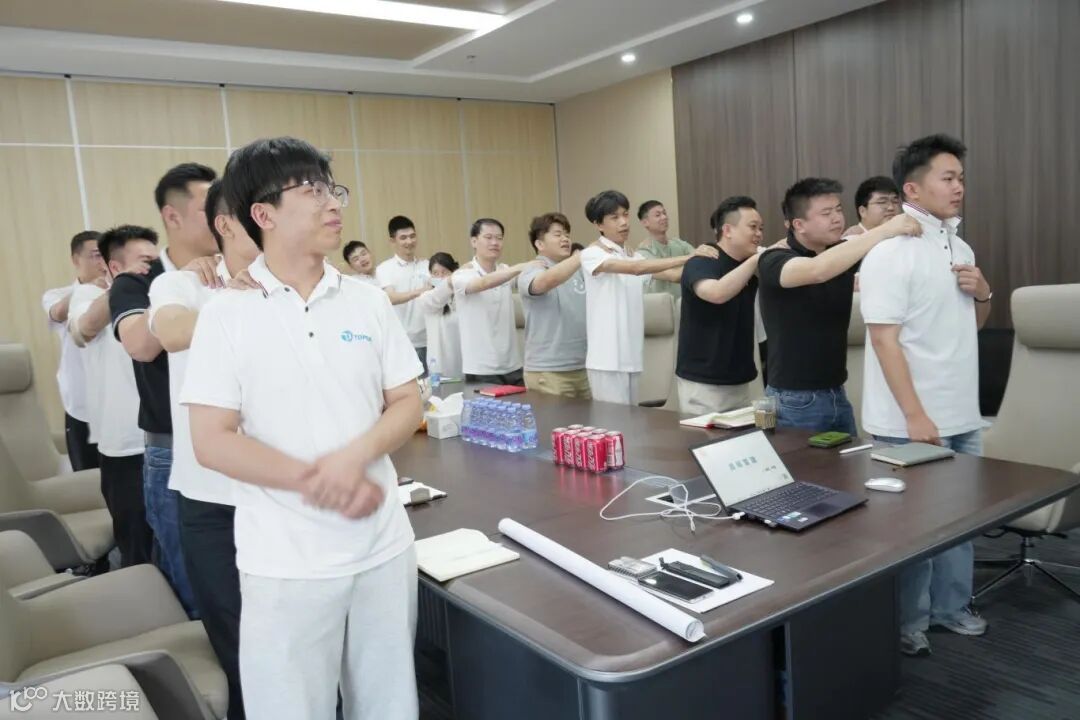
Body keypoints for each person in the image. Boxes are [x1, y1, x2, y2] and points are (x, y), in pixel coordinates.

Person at [184, 137, 422, 720]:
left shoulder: (366, 301)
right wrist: (317, 479)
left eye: (331, 188)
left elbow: (406, 401)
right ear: (262, 215)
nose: (332, 202)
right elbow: (211, 440)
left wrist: (353, 457)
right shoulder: (226, 315)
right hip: (285, 560)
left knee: (390, 704)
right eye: (311, 190)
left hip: (382, 546)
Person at [860, 134, 991, 657]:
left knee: (960, 522)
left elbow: (971, 325)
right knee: (912, 529)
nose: (959, 187)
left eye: (961, 178)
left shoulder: (961, 247)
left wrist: (983, 291)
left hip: (962, 411)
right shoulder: (889, 253)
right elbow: (883, 339)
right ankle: (907, 622)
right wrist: (914, 415)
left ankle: (950, 608)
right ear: (912, 189)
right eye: (948, 177)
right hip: (908, 419)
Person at [147, 180, 260, 719]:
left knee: (297, 640)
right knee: (236, 642)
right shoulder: (185, 284)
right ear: (227, 224)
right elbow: (170, 333)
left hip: (280, 494)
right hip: (210, 497)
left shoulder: (293, 286)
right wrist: (235, 299)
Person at [109, 162, 219, 617]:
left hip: (233, 445)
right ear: (172, 216)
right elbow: (140, 345)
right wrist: (177, 289)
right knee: (193, 582)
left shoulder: (236, 272)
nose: (222, 216)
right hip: (172, 448)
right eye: (209, 207)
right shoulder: (139, 280)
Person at [757, 178, 920, 434]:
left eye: (838, 209)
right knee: (798, 462)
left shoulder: (842, 253)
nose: (837, 218)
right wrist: (883, 231)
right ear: (799, 224)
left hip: (837, 393)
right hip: (793, 400)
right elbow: (817, 270)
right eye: (826, 213)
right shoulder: (773, 259)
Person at [68, 226, 156, 567]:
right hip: (125, 446)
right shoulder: (89, 295)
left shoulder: (164, 293)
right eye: (145, 262)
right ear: (115, 267)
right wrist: (124, 286)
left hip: (168, 440)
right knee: (137, 547)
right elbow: (84, 328)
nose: (153, 268)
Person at [580, 190, 716, 405]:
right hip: (607, 360)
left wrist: (719, 266)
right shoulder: (592, 253)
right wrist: (689, 256)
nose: (624, 222)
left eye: (625, 215)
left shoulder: (631, 254)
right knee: (613, 422)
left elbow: (673, 275)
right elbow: (636, 269)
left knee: (631, 420)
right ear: (599, 224)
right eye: (615, 217)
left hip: (632, 358)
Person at [676, 197, 763, 414]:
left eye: (761, 228)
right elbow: (716, 293)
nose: (759, 234)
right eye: (753, 227)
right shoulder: (703, 261)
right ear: (728, 230)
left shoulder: (747, 267)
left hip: (740, 380)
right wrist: (756, 260)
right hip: (704, 383)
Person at [42, 231, 108, 471]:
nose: (102, 262)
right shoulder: (57, 295)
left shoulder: (118, 292)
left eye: (105, 255)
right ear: (75, 259)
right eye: (96, 255)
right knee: (87, 477)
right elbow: (58, 312)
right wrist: (87, 289)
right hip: (81, 407)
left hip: (116, 405)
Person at [452, 218, 536, 385]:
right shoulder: (462, 274)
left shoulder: (505, 270)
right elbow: (483, 283)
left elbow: (532, 283)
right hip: (481, 368)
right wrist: (521, 266)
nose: (495, 243)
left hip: (513, 365)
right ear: (474, 241)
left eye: (499, 238)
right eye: (488, 237)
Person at [518, 212, 590, 399]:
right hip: (548, 371)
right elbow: (543, 283)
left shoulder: (577, 270)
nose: (565, 239)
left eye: (567, 234)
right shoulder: (532, 269)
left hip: (582, 367)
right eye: (558, 234)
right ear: (539, 244)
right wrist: (580, 257)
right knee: (553, 419)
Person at [375, 216, 432, 370]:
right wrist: (421, 291)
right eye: (403, 238)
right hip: (404, 342)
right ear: (392, 241)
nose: (409, 241)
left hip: (431, 340)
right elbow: (391, 298)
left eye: (413, 236)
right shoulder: (385, 268)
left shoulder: (427, 265)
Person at [416, 252, 463, 382]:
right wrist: (449, 283)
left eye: (444, 272)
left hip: (463, 363)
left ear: (453, 272)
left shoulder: (462, 297)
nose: (440, 277)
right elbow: (439, 296)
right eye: (435, 273)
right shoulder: (426, 297)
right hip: (439, 367)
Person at [635, 200, 696, 297]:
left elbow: (700, 259)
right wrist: (693, 262)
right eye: (658, 215)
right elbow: (674, 276)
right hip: (660, 305)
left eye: (664, 213)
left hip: (682, 303)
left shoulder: (679, 244)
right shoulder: (643, 253)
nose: (664, 217)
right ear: (645, 222)